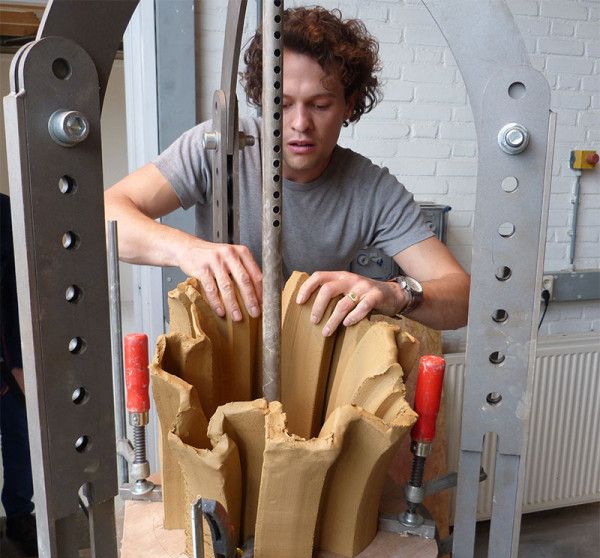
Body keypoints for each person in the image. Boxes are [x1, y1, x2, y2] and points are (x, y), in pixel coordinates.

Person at [105, 7, 469, 334]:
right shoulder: (218, 145)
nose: (299, 124)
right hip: (222, 349)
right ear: (262, 98)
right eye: (282, 104)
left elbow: (461, 295)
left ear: (349, 105)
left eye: (320, 105)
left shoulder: (370, 189)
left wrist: (396, 292)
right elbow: (108, 211)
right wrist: (188, 251)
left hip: (309, 359)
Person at [0, 193, 37, 557]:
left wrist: (18, 362)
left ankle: (19, 516)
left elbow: (14, 289)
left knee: (20, 439)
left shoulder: (5, 212)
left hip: (8, 356)